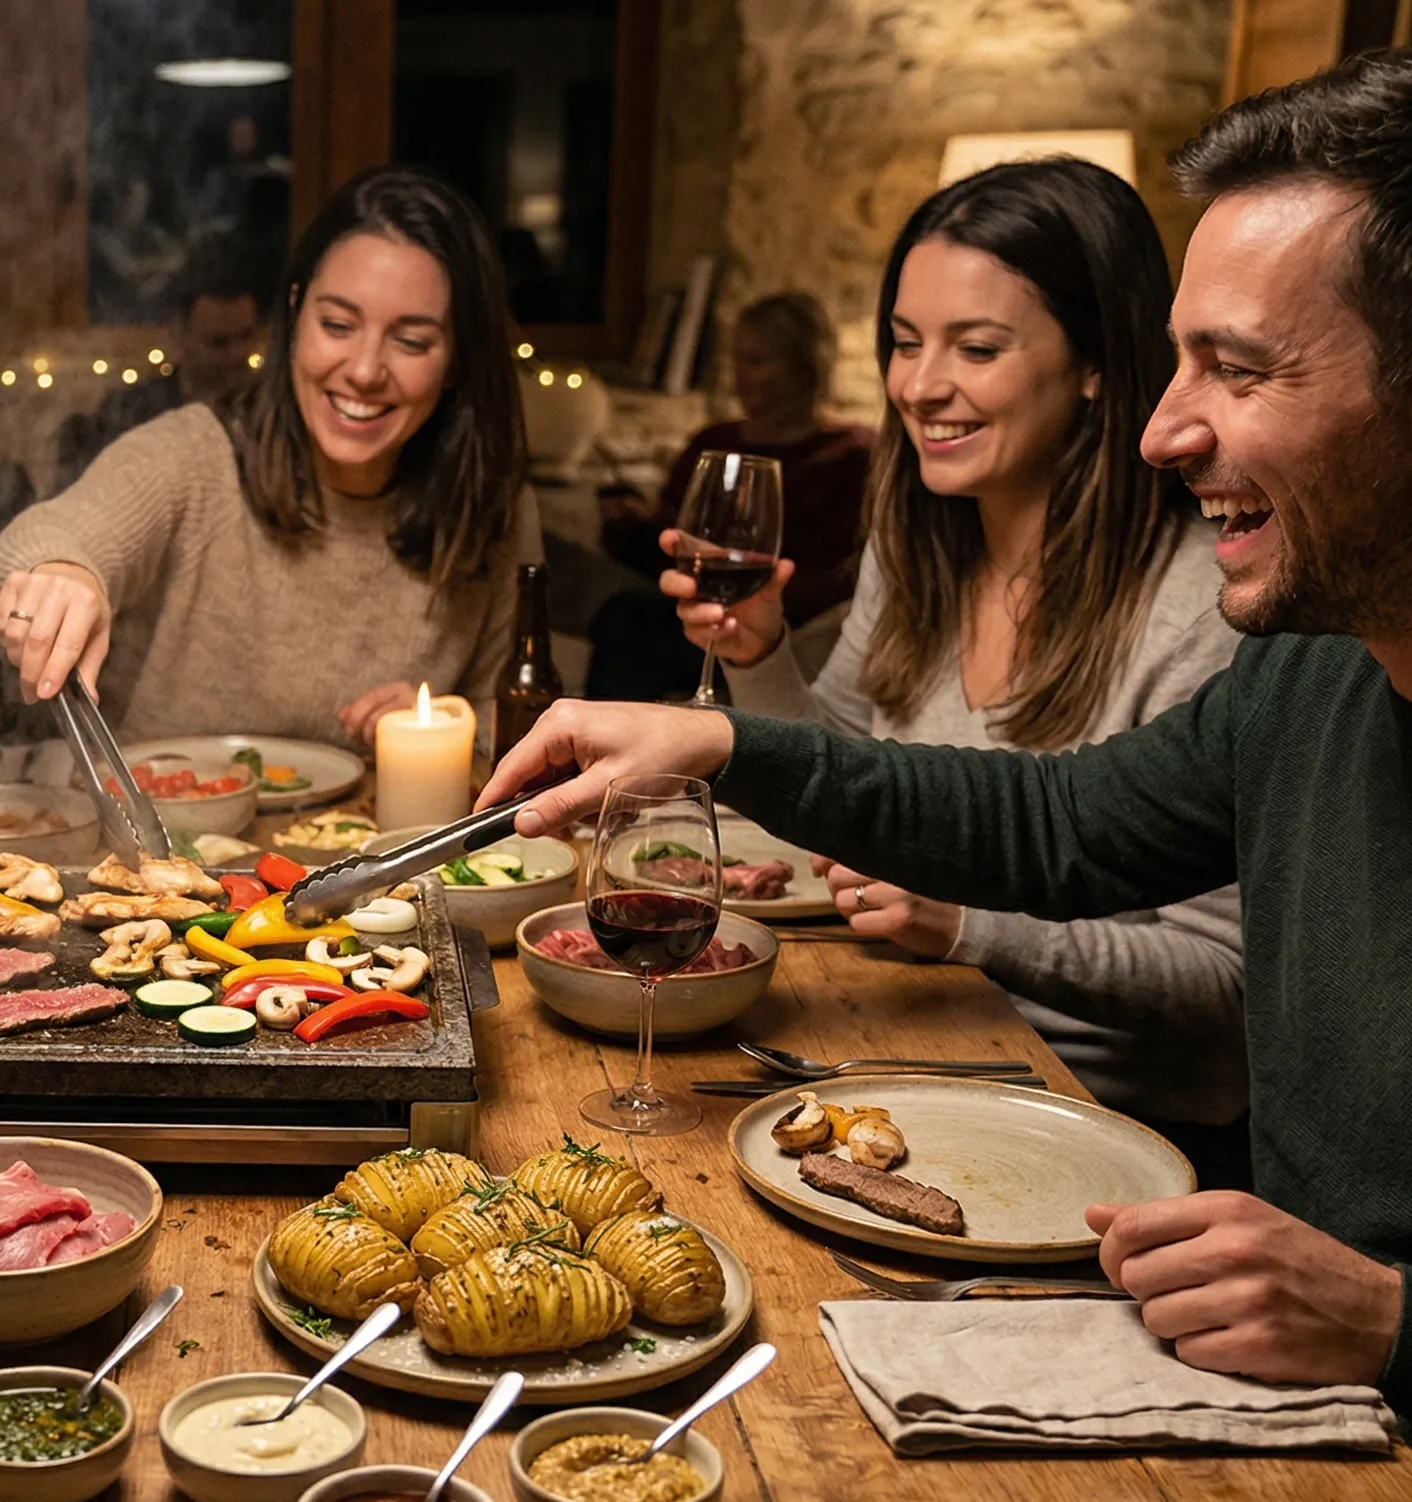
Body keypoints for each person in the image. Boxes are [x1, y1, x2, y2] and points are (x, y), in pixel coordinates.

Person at [476, 51, 1412, 1409]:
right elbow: (1056, 824)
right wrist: (731, 740)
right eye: (1177, 364)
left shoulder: (1245, 627)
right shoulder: (1313, 678)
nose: (1163, 435)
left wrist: (1392, 1321)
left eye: (1242, 370)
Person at [671, 163, 1250, 1173]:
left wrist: (973, 923)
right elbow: (842, 791)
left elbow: (1222, 983)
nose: (918, 385)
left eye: (974, 347)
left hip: (1105, 1126)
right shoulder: (920, 547)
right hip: (905, 1054)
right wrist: (759, 656)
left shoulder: (1200, 606)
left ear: (1094, 364)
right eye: (902, 343)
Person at [0, 164, 544, 746]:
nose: (364, 370)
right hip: (172, 827)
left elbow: (518, 727)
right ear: (296, 314)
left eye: (410, 341)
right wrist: (62, 575)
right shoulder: (195, 456)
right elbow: (36, 544)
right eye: (337, 324)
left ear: (456, 358)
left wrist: (447, 722)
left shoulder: (493, 505)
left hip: (379, 838)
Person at [585, 292, 872, 698]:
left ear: (805, 368)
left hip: (791, 623)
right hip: (696, 610)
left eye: (756, 361)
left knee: (633, 623)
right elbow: (670, 549)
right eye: (736, 358)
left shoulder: (852, 454)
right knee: (625, 613)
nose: (739, 374)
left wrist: (767, 599)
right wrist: (630, 524)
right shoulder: (713, 443)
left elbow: (853, 572)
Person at [55, 243, 269, 490]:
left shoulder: (269, 413)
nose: (236, 355)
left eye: (245, 337)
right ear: (180, 333)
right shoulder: (133, 412)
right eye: (218, 343)